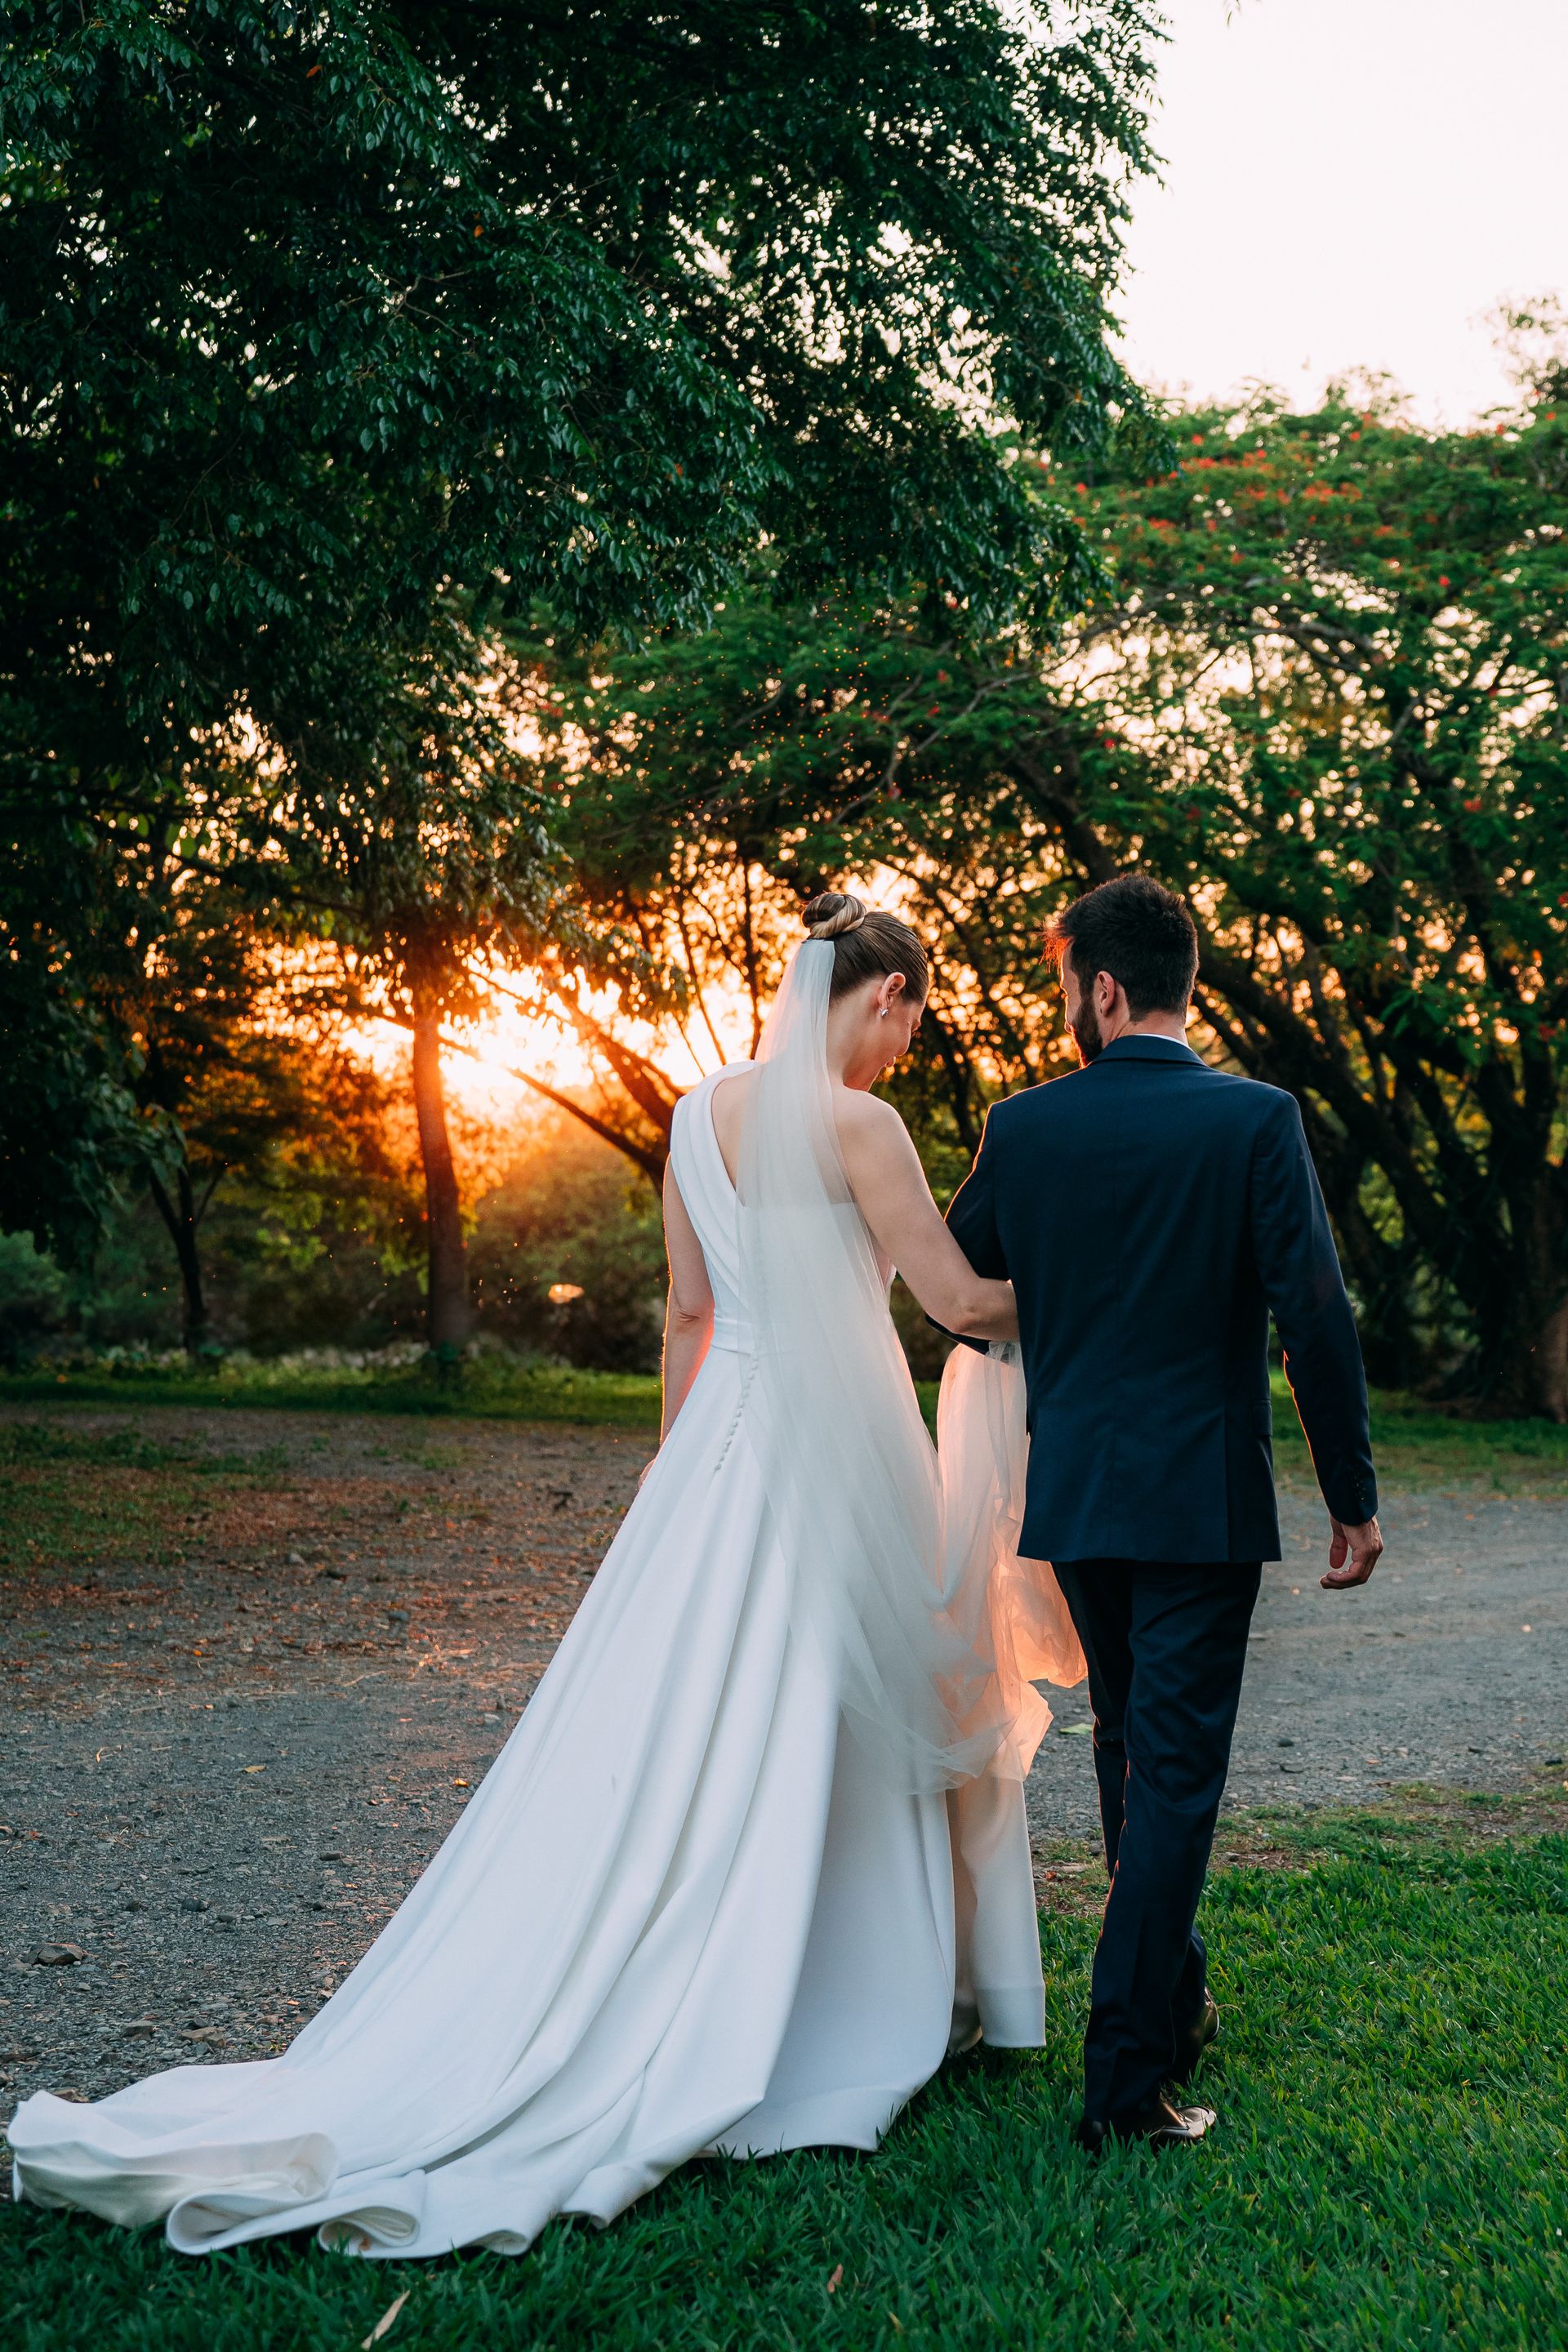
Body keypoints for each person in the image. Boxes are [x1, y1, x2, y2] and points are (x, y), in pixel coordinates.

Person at [10, 893, 1080, 2257]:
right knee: (842, 1700)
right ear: (886, 997)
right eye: (908, 1025)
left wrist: (678, 1481)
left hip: (715, 1454)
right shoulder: (860, 1124)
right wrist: (1097, 1292)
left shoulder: (696, 1115)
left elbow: (688, 1315)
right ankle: (838, 1987)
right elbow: (957, 1301)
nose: (901, 1052)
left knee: (692, 1722)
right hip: (841, 1452)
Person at [944, 871, 1383, 2149]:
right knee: (1172, 1775)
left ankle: (1172, 2008)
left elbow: (962, 1286)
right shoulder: (1256, 1120)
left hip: (1079, 1489)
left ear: (1103, 988)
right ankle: (1127, 2087)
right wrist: (1351, 1494)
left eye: (1064, 987)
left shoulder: (1026, 1128)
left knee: (1132, 1748)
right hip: (1202, 1493)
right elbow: (1314, 1314)